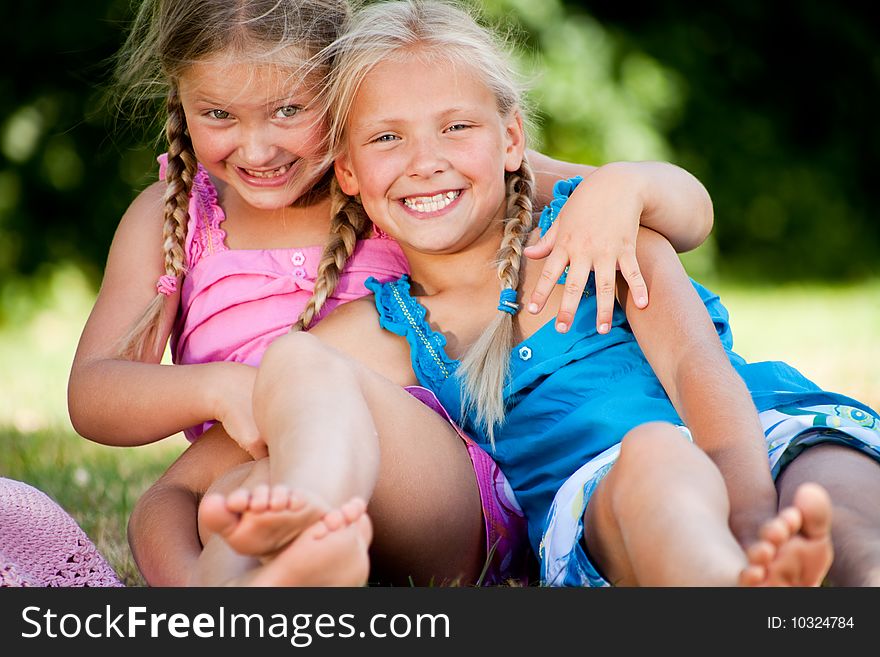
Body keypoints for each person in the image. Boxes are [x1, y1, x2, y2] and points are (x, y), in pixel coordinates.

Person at [211, 0, 880, 586]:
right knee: (657, 459)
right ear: (349, 171)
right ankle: (733, 590)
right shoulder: (386, 331)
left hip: (757, 427)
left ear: (511, 139)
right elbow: (287, 401)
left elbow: (693, 365)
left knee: (846, 521)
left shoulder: (596, 230)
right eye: (388, 137)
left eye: (456, 127)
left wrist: (752, 512)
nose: (425, 160)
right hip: (610, 492)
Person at [67, 0, 715, 586]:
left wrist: (626, 186)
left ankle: (312, 534)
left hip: (434, 485)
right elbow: (95, 395)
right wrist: (221, 390)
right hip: (256, 470)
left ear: (343, 94)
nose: (258, 147)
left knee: (285, 428)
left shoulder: (397, 179)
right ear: (179, 101)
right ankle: (268, 588)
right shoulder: (176, 218)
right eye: (216, 114)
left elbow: (676, 212)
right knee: (227, 501)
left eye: (290, 110)